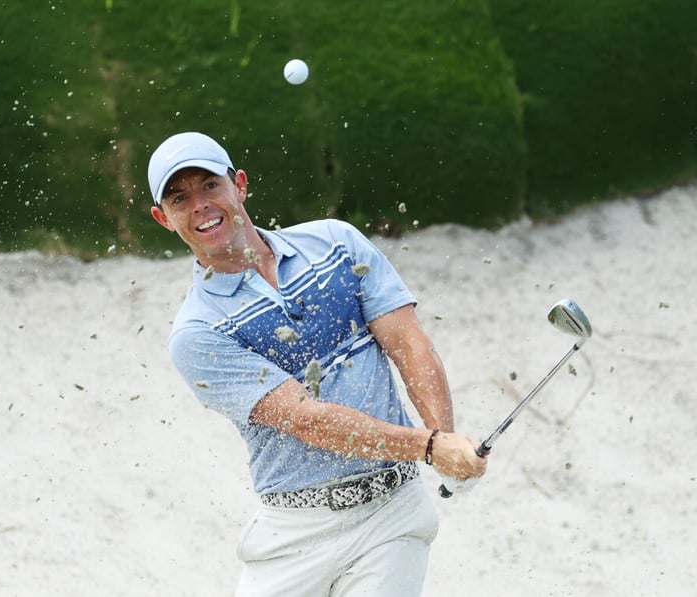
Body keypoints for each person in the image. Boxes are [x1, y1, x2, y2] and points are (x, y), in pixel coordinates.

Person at [147, 131, 487, 596]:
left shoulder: (336, 243)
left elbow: (408, 343)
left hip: (392, 513)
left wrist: (445, 440)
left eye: (210, 186)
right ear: (163, 218)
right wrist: (429, 447)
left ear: (239, 185)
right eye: (179, 197)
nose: (200, 205)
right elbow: (306, 420)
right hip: (292, 537)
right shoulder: (198, 333)